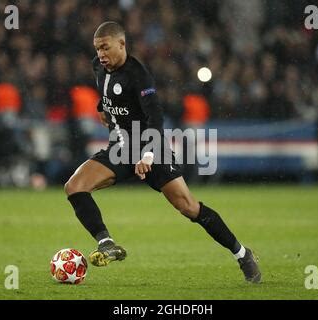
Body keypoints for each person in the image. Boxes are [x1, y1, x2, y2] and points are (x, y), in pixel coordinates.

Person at [64, 21, 261, 283]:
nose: (101, 54)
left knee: (189, 207)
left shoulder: (139, 75)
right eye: (97, 48)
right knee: (74, 186)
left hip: (151, 147)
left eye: (105, 47)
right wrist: (103, 105)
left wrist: (148, 155)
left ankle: (242, 254)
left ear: (122, 44)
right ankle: (106, 243)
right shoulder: (98, 66)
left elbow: (155, 117)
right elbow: (106, 90)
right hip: (121, 149)